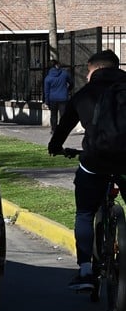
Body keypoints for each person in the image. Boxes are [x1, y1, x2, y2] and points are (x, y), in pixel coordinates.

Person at [48, 49, 126, 290]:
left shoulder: (83, 95)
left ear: (96, 69)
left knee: (84, 213)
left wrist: (55, 147)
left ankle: (85, 271)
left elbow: (63, 127)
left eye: (88, 70)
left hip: (95, 161)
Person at [43, 59, 73, 133]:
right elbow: (71, 83)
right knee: (63, 115)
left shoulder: (48, 78)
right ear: (56, 65)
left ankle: (54, 129)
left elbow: (46, 91)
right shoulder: (64, 73)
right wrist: (67, 90)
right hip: (63, 97)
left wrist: (47, 101)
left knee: (53, 115)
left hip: (52, 98)